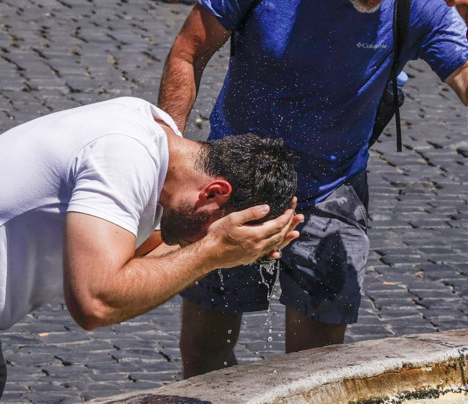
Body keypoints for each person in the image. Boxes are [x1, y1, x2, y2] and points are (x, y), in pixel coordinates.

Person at [157, 0, 468, 377]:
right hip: (232, 182)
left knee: (314, 371)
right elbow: (188, 52)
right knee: (205, 356)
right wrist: (170, 156)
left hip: (332, 188)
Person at [0, 97, 303, 396]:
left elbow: (139, 255)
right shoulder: (122, 156)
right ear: (215, 192)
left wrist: (229, 251)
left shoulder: (157, 137)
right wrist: (212, 252)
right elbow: (95, 302)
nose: (198, 242)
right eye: (213, 230)